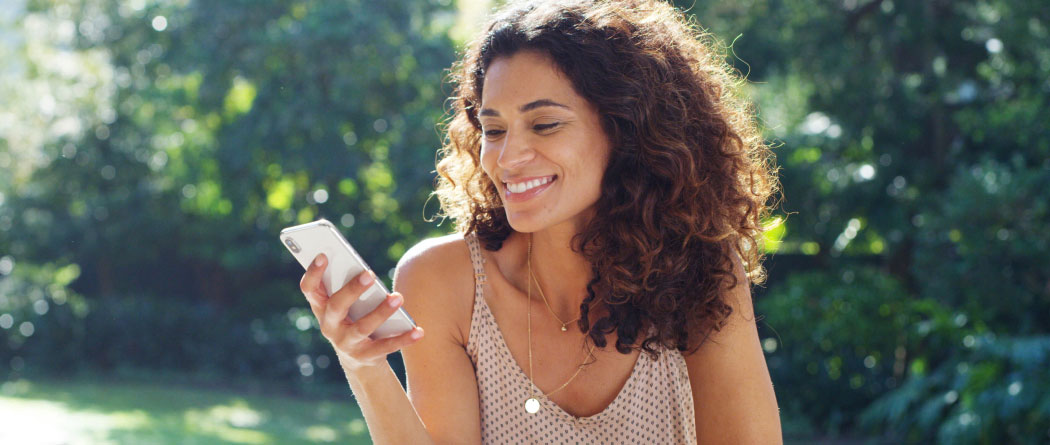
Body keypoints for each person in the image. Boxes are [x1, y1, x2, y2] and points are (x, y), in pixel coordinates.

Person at [298, 0, 782, 443]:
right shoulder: (441, 282)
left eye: (545, 124)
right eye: (494, 129)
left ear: (627, 129)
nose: (507, 157)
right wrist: (362, 363)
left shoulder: (699, 274)